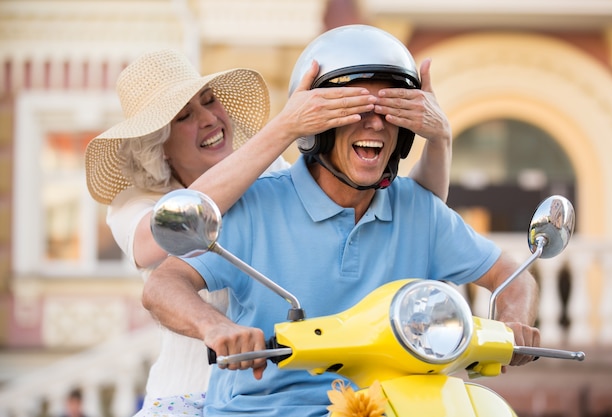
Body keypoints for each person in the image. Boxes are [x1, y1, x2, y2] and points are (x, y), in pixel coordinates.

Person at [142, 24, 540, 417]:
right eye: (353, 108)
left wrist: (513, 321)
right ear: (317, 126)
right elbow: (164, 283)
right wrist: (215, 327)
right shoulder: (257, 202)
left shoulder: (421, 210)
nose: (376, 123)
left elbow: (512, 273)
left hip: (390, 409)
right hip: (265, 410)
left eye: (392, 110)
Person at [84, 43, 452, 415]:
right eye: (184, 116)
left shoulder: (269, 170)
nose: (209, 118)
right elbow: (161, 236)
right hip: (188, 395)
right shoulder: (134, 203)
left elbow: (418, 213)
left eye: (209, 101)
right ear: (158, 146)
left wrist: (440, 139)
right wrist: (286, 127)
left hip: (281, 396)